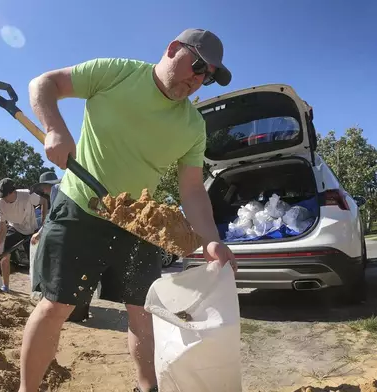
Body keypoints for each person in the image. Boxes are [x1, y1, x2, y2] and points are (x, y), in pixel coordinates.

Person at [21, 28, 237, 392]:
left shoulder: (193, 125)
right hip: (80, 208)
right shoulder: (116, 72)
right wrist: (54, 129)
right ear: (172, 49)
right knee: (56, 306)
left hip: (140, 224)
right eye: (197, 65)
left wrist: (210, 240)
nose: (198, 79)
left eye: (208, 76)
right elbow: (43, 84)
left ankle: (146, 388)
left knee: (144, 314)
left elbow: (192, 190)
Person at [0, 177, 46, 293]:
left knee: (35, 261)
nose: (2, 199)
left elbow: (44, 201)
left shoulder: (27, 195)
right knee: (4, 255)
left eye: (5, 195)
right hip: (15, 228)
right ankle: (5, 286)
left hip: (31, 229)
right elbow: (2, 228)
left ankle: (39, 289)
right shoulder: (0, 204)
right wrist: (0, 249)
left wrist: (43, 224)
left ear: (13, 192)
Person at [28, 171, 61, 245]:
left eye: (42, 186)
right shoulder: (61, 189)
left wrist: (39, 234)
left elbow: (53, 216)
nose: (42, 190)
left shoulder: (55, 189)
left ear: (46, 185)